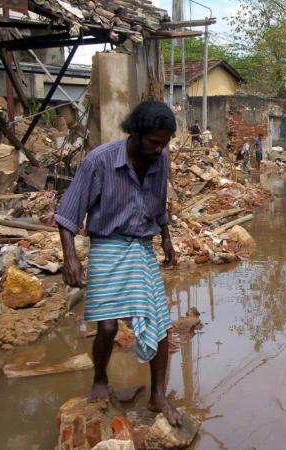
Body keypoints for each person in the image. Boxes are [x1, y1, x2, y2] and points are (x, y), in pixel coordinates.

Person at [55, 101, 182, 426]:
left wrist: (166, 240)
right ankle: (100, 378)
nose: (159, 149)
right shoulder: (99, 161)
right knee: (108, 326)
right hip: (107, 246)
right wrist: (70, 257)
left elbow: (159, 205)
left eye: (165, 143)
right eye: (154, 142)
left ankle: (158, 395)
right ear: (136, 133)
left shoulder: (160, 160)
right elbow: (68, 213)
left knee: (159, 322)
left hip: (141, 246)